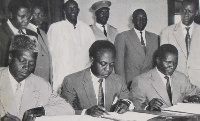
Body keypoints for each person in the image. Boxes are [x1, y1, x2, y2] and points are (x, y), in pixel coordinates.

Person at [0, 35, 74, 121]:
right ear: (10, 57)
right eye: (22, 61)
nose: (26, 67)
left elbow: (68, 109)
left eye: (31, 63)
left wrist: (41, 110)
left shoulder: (41, 85)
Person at [61, 40, 132, 116]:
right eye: (103, 64)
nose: (108, 69)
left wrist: (126, 103)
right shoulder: (72, 81)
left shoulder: (118, 81)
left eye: (111, 64)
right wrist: (86, 112)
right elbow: (64, 111)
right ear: (92, 60)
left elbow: (128, 99)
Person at [130, 44, 200, 111]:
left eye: (175, 63)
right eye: (168, 62)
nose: (172, 66)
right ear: (158, 60)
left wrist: (193, 98)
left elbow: (196, 92)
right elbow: (134, 107)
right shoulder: (140, 81)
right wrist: (147, 107)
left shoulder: (181, 78)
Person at [47, 0, 95, 92]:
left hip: (81, 75)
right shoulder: (55, 28)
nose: (73, 11)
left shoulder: (86, 29)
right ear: (64, 11)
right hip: (62, 75)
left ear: (78, 10)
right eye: (69, 8)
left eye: (75, 8)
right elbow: (50, 53)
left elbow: (92, 53)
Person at [115, 9, 159, 88]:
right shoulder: (122, 37)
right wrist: (123, 86)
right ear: (133, 20)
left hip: (150, 84)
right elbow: (119, 66)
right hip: (130, 84)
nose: (141, 20)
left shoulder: (155, 38)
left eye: (144, 18)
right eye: (138, 18)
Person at [160, 0, 200, 87]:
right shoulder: (167, 32)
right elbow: (164, 62)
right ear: (180, 11)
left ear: (196, 13)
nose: (186, 14)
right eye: (183, 10)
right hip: (177, 83)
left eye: (190, 11)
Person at [0, 0, 37, 67]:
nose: (26, 20)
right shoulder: (1, 33)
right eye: (22, 16)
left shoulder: (33, 34)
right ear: (11, 14)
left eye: (28, 17)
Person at [26, 4, 52, 84]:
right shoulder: (26, 31)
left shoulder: (42, 32)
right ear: (30, 15)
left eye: (41, 14)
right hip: (35, 75)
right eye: (36, 14)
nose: (39, 17)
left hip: (45, 75)